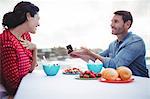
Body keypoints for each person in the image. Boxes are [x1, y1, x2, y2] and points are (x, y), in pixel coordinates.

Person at [69, 10, 149, 78]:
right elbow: (97, 61)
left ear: (127, 24)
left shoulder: (135, 42)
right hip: (121, 83)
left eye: (116, 21)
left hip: (139, 83)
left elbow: (115, 65)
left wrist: (89, 53)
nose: (111, 25)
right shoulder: (112, 45)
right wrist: (80, 56)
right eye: (112, 22)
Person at [0, 1, 40, 98]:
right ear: (28, 16)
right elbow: (13, 86)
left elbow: (30, 69)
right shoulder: (7, 42)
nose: (39, 24)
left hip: (23, 89)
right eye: (37, 19)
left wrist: (35, 48)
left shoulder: (25, 36)